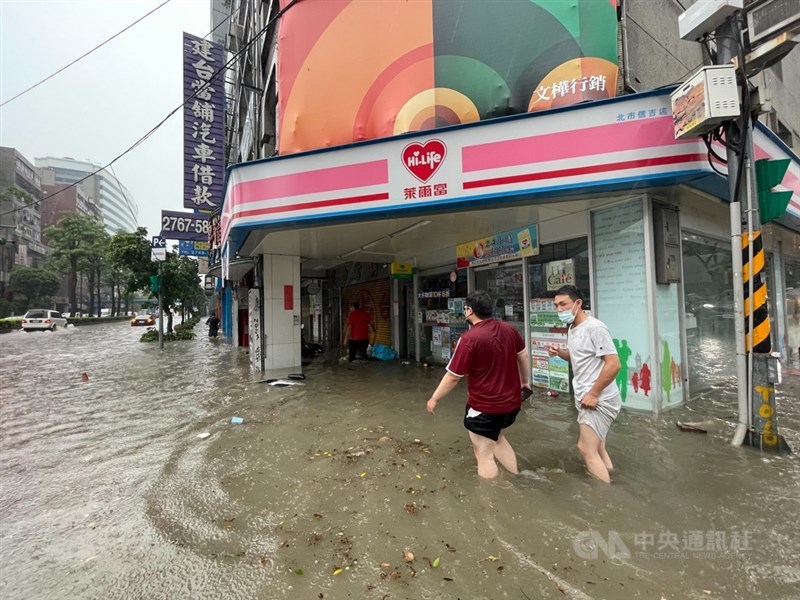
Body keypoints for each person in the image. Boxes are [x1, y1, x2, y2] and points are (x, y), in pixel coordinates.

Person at [426, 289, 531, 479]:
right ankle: (517, 478)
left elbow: (453, 377)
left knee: (483, 455)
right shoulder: (509, 329)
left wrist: (434, 398)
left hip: (485, 408)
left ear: (469, 310)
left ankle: (491, 503)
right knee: (497, 438)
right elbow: (522, 355)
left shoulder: (469, 339)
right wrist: (525, 382)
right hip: (512, 404)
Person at [547, 285, 621, 483]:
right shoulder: (572, 328)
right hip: (586, 396)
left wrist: (594, 393)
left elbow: (614, 364)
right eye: (556, 306)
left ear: (578, 303)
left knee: (585, 449)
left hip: (598, 399)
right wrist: (560, 353)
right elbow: (579, 357)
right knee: (598, 448)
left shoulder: (595, 328)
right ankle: (612, 478)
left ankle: (605, 496)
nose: (559, 310)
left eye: (563, 304)